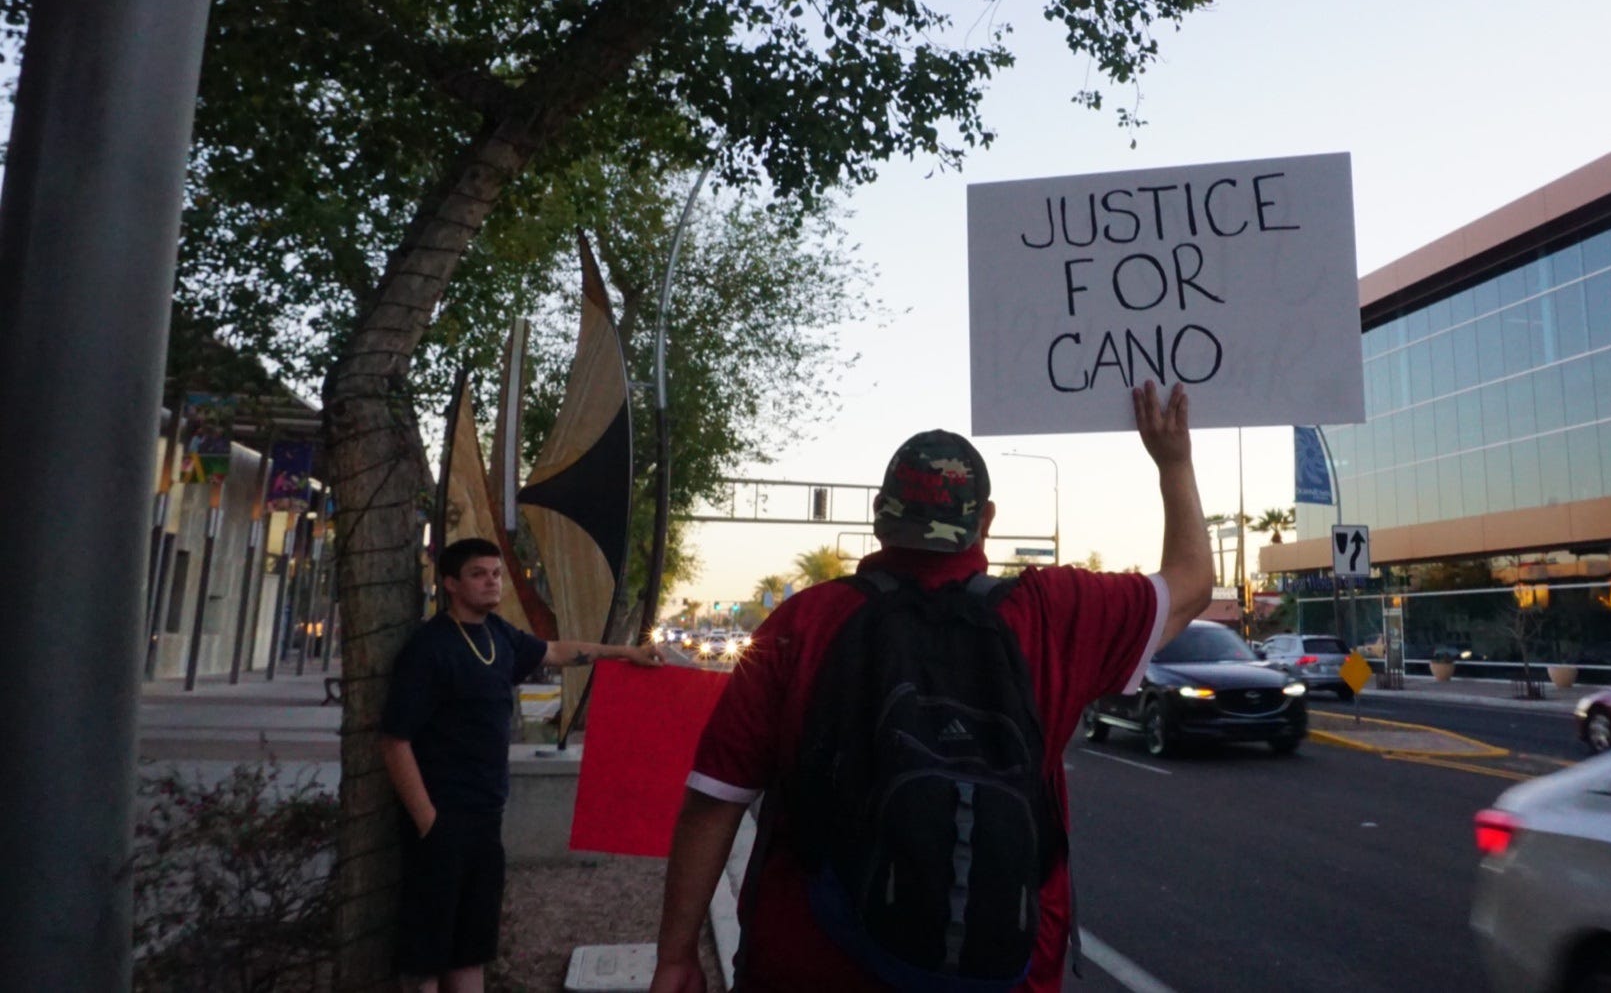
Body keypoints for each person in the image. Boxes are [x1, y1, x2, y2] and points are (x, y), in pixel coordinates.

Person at [649, 380, 1212, 993]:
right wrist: (1173, 462)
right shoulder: (1055, 612)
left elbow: (715, 800)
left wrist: (676, 956)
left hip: (811, 960)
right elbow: (1190, 585)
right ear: (985, 521)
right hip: (1004, 974)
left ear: (879, 519)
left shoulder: (803, 623)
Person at [379, 536, 665, 993]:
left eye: (496, 573)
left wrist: (623, 653)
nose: (492, 582)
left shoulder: (499, 635)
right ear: (451, 583)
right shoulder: (429, 648)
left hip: (487, 815)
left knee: (472, 945)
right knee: (426, 955)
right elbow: (395, 741)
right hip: (441, 819)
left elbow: (553, 651)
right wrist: (428, 820)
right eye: (478, 574)